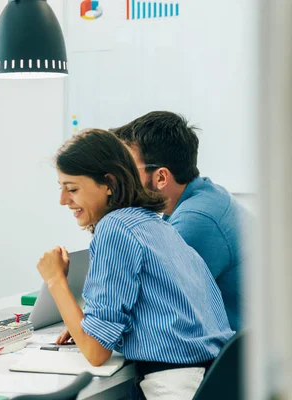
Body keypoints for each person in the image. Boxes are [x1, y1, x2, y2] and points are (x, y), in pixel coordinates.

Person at [36, 129, 234, 399]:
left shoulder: (114, 227)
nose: (63, 200)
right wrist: (84, 326)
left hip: (174, 386)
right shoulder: (156, 225)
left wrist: (55, 280)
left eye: (72, 189)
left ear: (109, 183)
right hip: (210, 378)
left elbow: (95, 352)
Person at [112, 111, 246, 331]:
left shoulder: (196, 220)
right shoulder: (203, 195)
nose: (121, 177)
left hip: (231, 358)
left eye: (127, 168)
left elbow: (158, 309)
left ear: (162, 177)